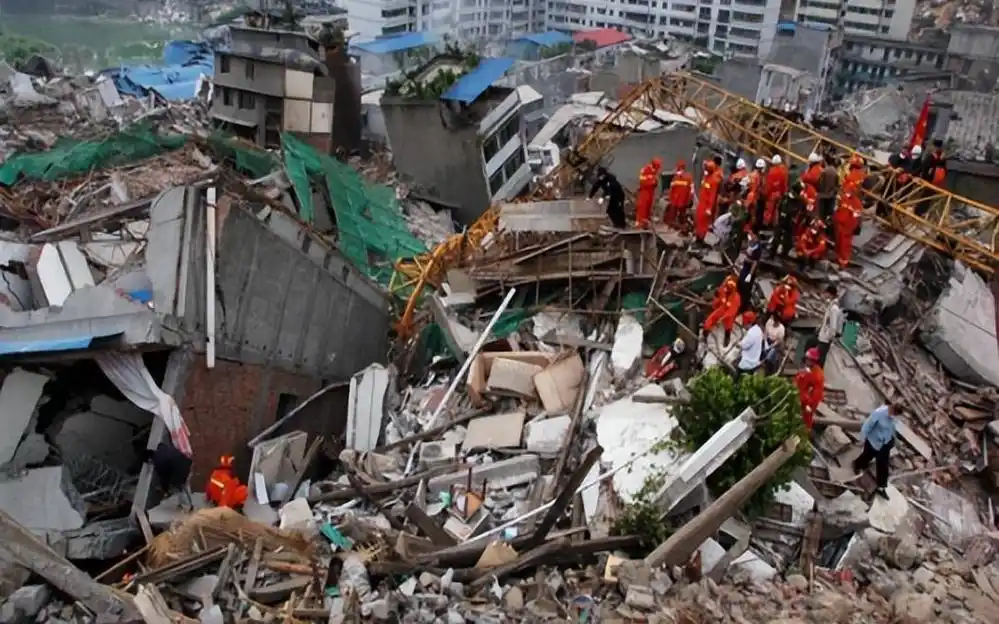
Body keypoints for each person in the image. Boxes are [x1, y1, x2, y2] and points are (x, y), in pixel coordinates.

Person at [852, 403, 901, 499]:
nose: (893, 416)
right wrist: (862, 439)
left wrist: (894, 439)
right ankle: (857, 465)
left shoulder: (894, 417)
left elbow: (892, 428)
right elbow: (867, 425)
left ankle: (881, 487)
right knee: (866, 457)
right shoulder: (879, 413)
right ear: (891, 408)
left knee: (883, 465)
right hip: (873, 441)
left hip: (885, 443)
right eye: (893, 413)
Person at [703, 275, 741, 344]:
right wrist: (714, 306)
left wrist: (722, 318)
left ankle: (727, 336)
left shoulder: (736, 298)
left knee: (728, 324)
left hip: (729, 313)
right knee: (708, 321)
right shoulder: (723, 288)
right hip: (722, 308)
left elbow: (731, 311)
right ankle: (705, 334)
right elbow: (719, 298)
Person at [771, 182, 804, 259]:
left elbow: (799, 211)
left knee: (787, 240)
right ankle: (772, 254)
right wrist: (776, 218)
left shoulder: (799, 200)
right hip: (782, 218)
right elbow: (779, 207)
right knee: (776, 237)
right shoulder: (785, 197)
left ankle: (783, 256)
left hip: (790, 221)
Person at [795, 347, 825, 430]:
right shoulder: (806, 369)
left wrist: (808, 404)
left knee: (806, 419)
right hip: (800, 396)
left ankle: (804, 433)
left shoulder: (817, 375)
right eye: (806, 359)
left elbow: (816, 394)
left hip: (808, 401)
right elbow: (798, 382)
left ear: (814, 361)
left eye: (809, 360)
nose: (807, 361)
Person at [833, 189, 862, 269]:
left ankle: (843, 263)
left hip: (847, 228)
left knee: (845, 245)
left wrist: (849, 229)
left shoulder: (857, 204)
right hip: (839, 225)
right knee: (838, 243)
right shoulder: (844, 197)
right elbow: (839, 209)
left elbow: (856, 219)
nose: (847, 193)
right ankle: (837, 258)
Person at [816, 284, 843, 366]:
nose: (825, 295)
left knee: (820, 358)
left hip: (826, 338)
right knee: (819, 357)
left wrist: (829, 337)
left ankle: (819, 374)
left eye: (826, 293)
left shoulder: (834, 309)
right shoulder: (831, 306)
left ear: (830, 294)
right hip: (824, 336)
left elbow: (833, 325)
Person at [695, 160, 722, 240]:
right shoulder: (706, 177)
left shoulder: (713, 181)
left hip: (706, 205)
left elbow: (712, 195)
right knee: (698, 220)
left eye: (706, 168)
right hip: (701, 203)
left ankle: (701, 238)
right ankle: (698, 235)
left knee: (703, 223)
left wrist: (709, 208)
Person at [665, 160, 693, 227]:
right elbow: (692, 190)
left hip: (675, 199)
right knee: (682, 214)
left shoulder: (675, 177)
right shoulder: (689, 176)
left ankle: (672, 225)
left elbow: (671, 188)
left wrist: (670, 198)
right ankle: (682, 225)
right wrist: (690, 199)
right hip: (684, 200)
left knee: (673, 214)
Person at [636, 157, 662, 228]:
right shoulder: (645, 170)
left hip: (651, 191)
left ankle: (646, 221)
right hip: (645, 191)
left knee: (648, 206)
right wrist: (653, 182)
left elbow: (655, 181)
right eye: (658, 166)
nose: (658, 168)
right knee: (643, 206)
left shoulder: (654, 171)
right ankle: (640, 223)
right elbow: (642, 182)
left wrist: (655, 182)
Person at [737, 311, 764, 377]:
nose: (743, 325)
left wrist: (737, 344)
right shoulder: (758, 329)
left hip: (748, 364)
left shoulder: (751, 333)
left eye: (744, 323)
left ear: (749, 323)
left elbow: (744, 345)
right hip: (755, 360)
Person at [764, 154, 789, 227]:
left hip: (772, 194)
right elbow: (785, 184)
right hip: (780, 194)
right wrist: (783, 193)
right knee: (777, 210)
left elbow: (768, 185)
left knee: (769, 209)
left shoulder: (771, 172)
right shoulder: (784, 170)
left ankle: (766, 224)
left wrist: (766, 193)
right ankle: (776, 225)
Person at [818, 154, 839, 222]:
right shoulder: (835, 171)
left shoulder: (823, 171)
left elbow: (820, 183)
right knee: (829, 216)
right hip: (831, 195)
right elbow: (837, 184)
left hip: (823, 196)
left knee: (822, 216)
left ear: (825, 161)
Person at [746, 158, 766, 230]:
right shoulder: (760, 177)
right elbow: (761, 190)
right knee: (752, 216)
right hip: (754, 198)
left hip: (747, 197)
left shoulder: (750, 174)